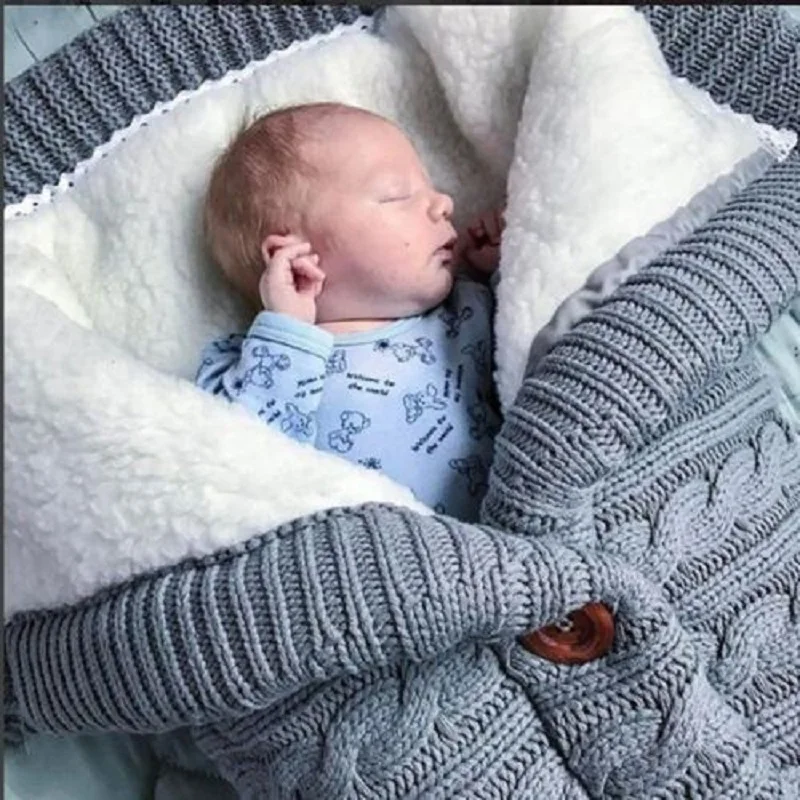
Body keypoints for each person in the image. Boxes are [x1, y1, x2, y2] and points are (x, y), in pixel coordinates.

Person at [196, 101, 505, 522]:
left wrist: (503, 266)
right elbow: (243, 466)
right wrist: (286, 332)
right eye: (396, 194)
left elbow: (530, 356)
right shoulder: (259, 367)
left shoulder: (466, 311)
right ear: (294, 254)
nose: (444, 203)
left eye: (431, 186)